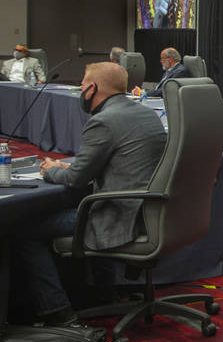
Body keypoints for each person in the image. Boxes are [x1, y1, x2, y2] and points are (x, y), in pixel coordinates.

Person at [16, 62, 167, 327]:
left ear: (92, 89)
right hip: (148, 213)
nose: (81, 91)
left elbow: (75, 181)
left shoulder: (104, 121)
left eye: (83, 85)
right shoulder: (145, 114)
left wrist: (52, 169)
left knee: (24, 230)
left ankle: (57, 311)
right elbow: (122, 162)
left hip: (118, 216)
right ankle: (102, 293)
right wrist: (73, 165)